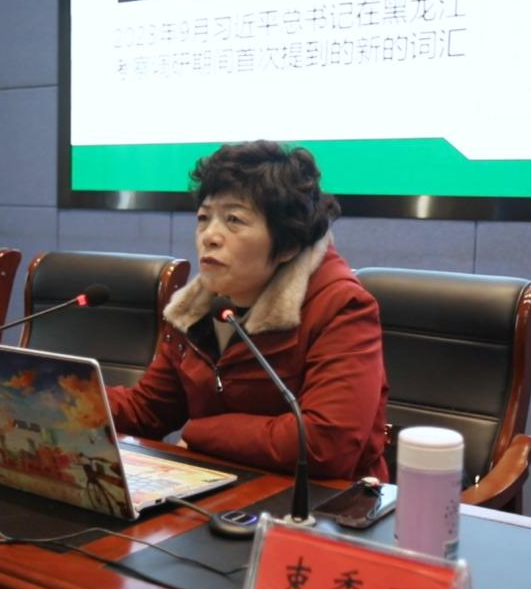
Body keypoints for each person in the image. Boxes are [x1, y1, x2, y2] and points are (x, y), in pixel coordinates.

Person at [106, 141, 390, 481]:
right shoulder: (196, 308)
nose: (209, 236)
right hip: (224, 488)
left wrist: (200, 432)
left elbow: (326, 444)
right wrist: (67, 398)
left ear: (288, 245)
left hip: (324, 501)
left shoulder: (340, 307)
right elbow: (147, 411)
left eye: (234, 220)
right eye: (203, 218)